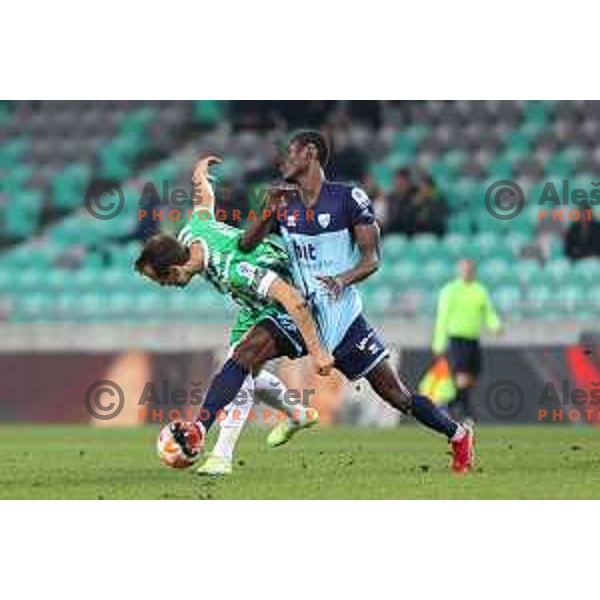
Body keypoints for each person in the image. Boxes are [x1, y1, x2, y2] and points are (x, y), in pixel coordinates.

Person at [241, 130, 474, 473]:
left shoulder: (348, 198)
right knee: (246, 353)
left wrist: (342, 279)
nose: (282, 161)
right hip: (301, 313)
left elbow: (372, 259)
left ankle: (457, 435)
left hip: (345, 320)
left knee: (397, 396)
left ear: (310, 153)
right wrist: (266, 212)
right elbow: (246, 246)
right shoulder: (283, 202)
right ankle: (218, 438)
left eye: (289, 154)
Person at [135, 156, 333, 475]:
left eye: (162, 280)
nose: (165, 286)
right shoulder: (190, 234)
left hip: (284, 290)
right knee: (243, 372)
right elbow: (204, 201)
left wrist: (316, 350)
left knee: (239, 365)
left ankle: (222, 457)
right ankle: (297, 413)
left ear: (173, 269)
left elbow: (289, 297)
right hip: (251, 303)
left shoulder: (232, 269)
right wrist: (199, 174)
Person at [432, 258, 502, 423]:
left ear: (474, 271)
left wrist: (496, 326)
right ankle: (467, 412)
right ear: (459, 271)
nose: (467, 272)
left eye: (469, 269)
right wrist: (438, 342)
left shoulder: (480, 290)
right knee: (462, 374)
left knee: (475, 372)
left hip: (473, 338)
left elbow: (488, 312)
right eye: (464, 269)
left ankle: (450, 403)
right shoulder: (450, 291)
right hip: (457, 338)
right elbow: (442, 318)